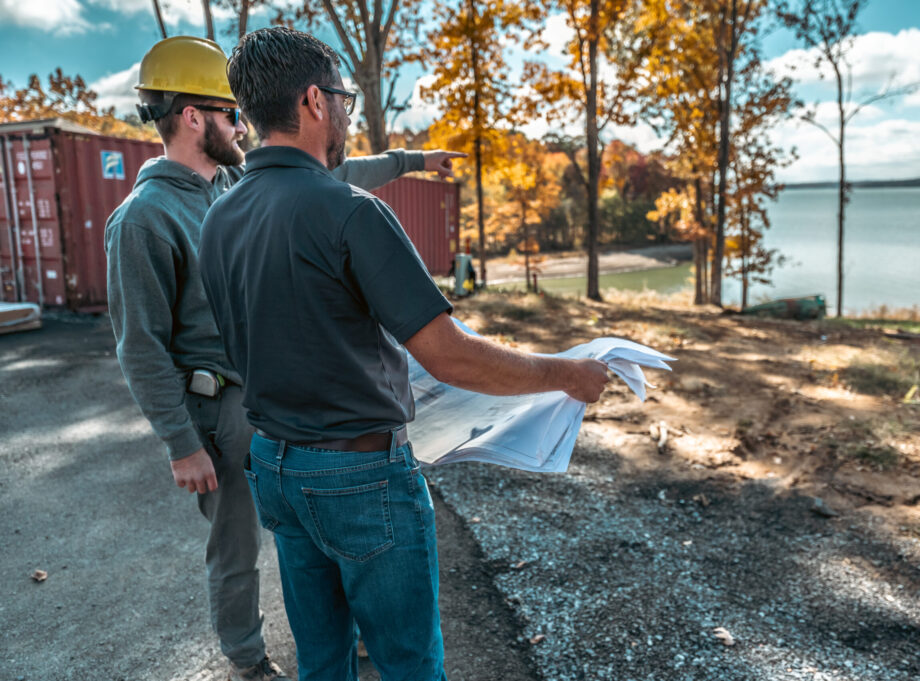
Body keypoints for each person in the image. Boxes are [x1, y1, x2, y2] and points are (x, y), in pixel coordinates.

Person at [198, 27, 609, 681]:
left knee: (322, 659)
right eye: (343, 98)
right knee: (408, 663)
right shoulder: (349, 211)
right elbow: (451, 355)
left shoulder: (219, 218)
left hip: (274, 462)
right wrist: (567, 373)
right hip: (358, 477)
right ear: (313, 101)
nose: (346, 113)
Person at [104, 35, 465, 681]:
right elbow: (140, 344)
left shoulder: (235, 184)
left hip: (271, 402)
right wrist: (181, 442)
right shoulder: (143, 219)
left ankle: (348, 628)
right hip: (216, 412)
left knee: (311, 536)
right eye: (231, 113)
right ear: (193, 116)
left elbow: (329, 174)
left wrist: (411, 159)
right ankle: (247, 658)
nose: (244, 125)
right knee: (237, 544)